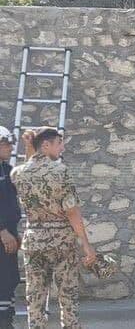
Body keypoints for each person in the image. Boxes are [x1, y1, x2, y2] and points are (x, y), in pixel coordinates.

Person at [11, 127, 96, 329]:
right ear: (46, 145)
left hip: (34, 240)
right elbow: (72, 211)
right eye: (59, 143)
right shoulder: (61, 171)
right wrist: (86, 246)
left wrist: (30, 147)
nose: (63, 147)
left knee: (36, 298)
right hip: (61, 242)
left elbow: (30, 167)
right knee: (68, 298)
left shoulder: (17, 173)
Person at [0, 126, 21, 329]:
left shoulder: (6, 170)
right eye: (7, 144)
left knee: (9, 278)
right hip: (2, 233)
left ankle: (7, 319)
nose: (11, 148)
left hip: (9, 232)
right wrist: (2, 231)